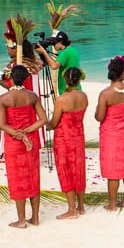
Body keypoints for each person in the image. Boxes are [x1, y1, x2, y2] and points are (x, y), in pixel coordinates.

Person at [0, 64, 46, 229]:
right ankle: (36, 218)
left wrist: (18, 134)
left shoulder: (4, 98)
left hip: (14, 142)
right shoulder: (32, 96)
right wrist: (27, 131)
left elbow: (1, 124)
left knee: (18, 180)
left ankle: (22, 220)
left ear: (10, 78)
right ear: (26, 78)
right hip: (31, 140)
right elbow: (43, 119)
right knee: (33, 177)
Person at [46, 66, 88, 219]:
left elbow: (54, 122)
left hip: (64, 139)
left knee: (66, 170)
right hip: (78, 137)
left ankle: (71, 209)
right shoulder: (84, 96)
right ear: (79, 79)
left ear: (65, 79)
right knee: (78, 169)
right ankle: (81, 206)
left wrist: (47, 124)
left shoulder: (62, 99)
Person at [96, 55, 124, 211]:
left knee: (113, 169)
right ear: (123, 73)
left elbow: (100, 117)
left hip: (111, 135)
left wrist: (95, 111)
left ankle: (112, 204)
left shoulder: (106, 94)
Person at [34, 30, 81, 95]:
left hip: (68, 90)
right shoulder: (72, 50)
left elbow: (54, 66)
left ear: (61, 41)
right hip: (76, 88)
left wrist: (44, 52)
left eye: (54, 42)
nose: (53, 45)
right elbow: (56, 63)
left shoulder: (65, 52)